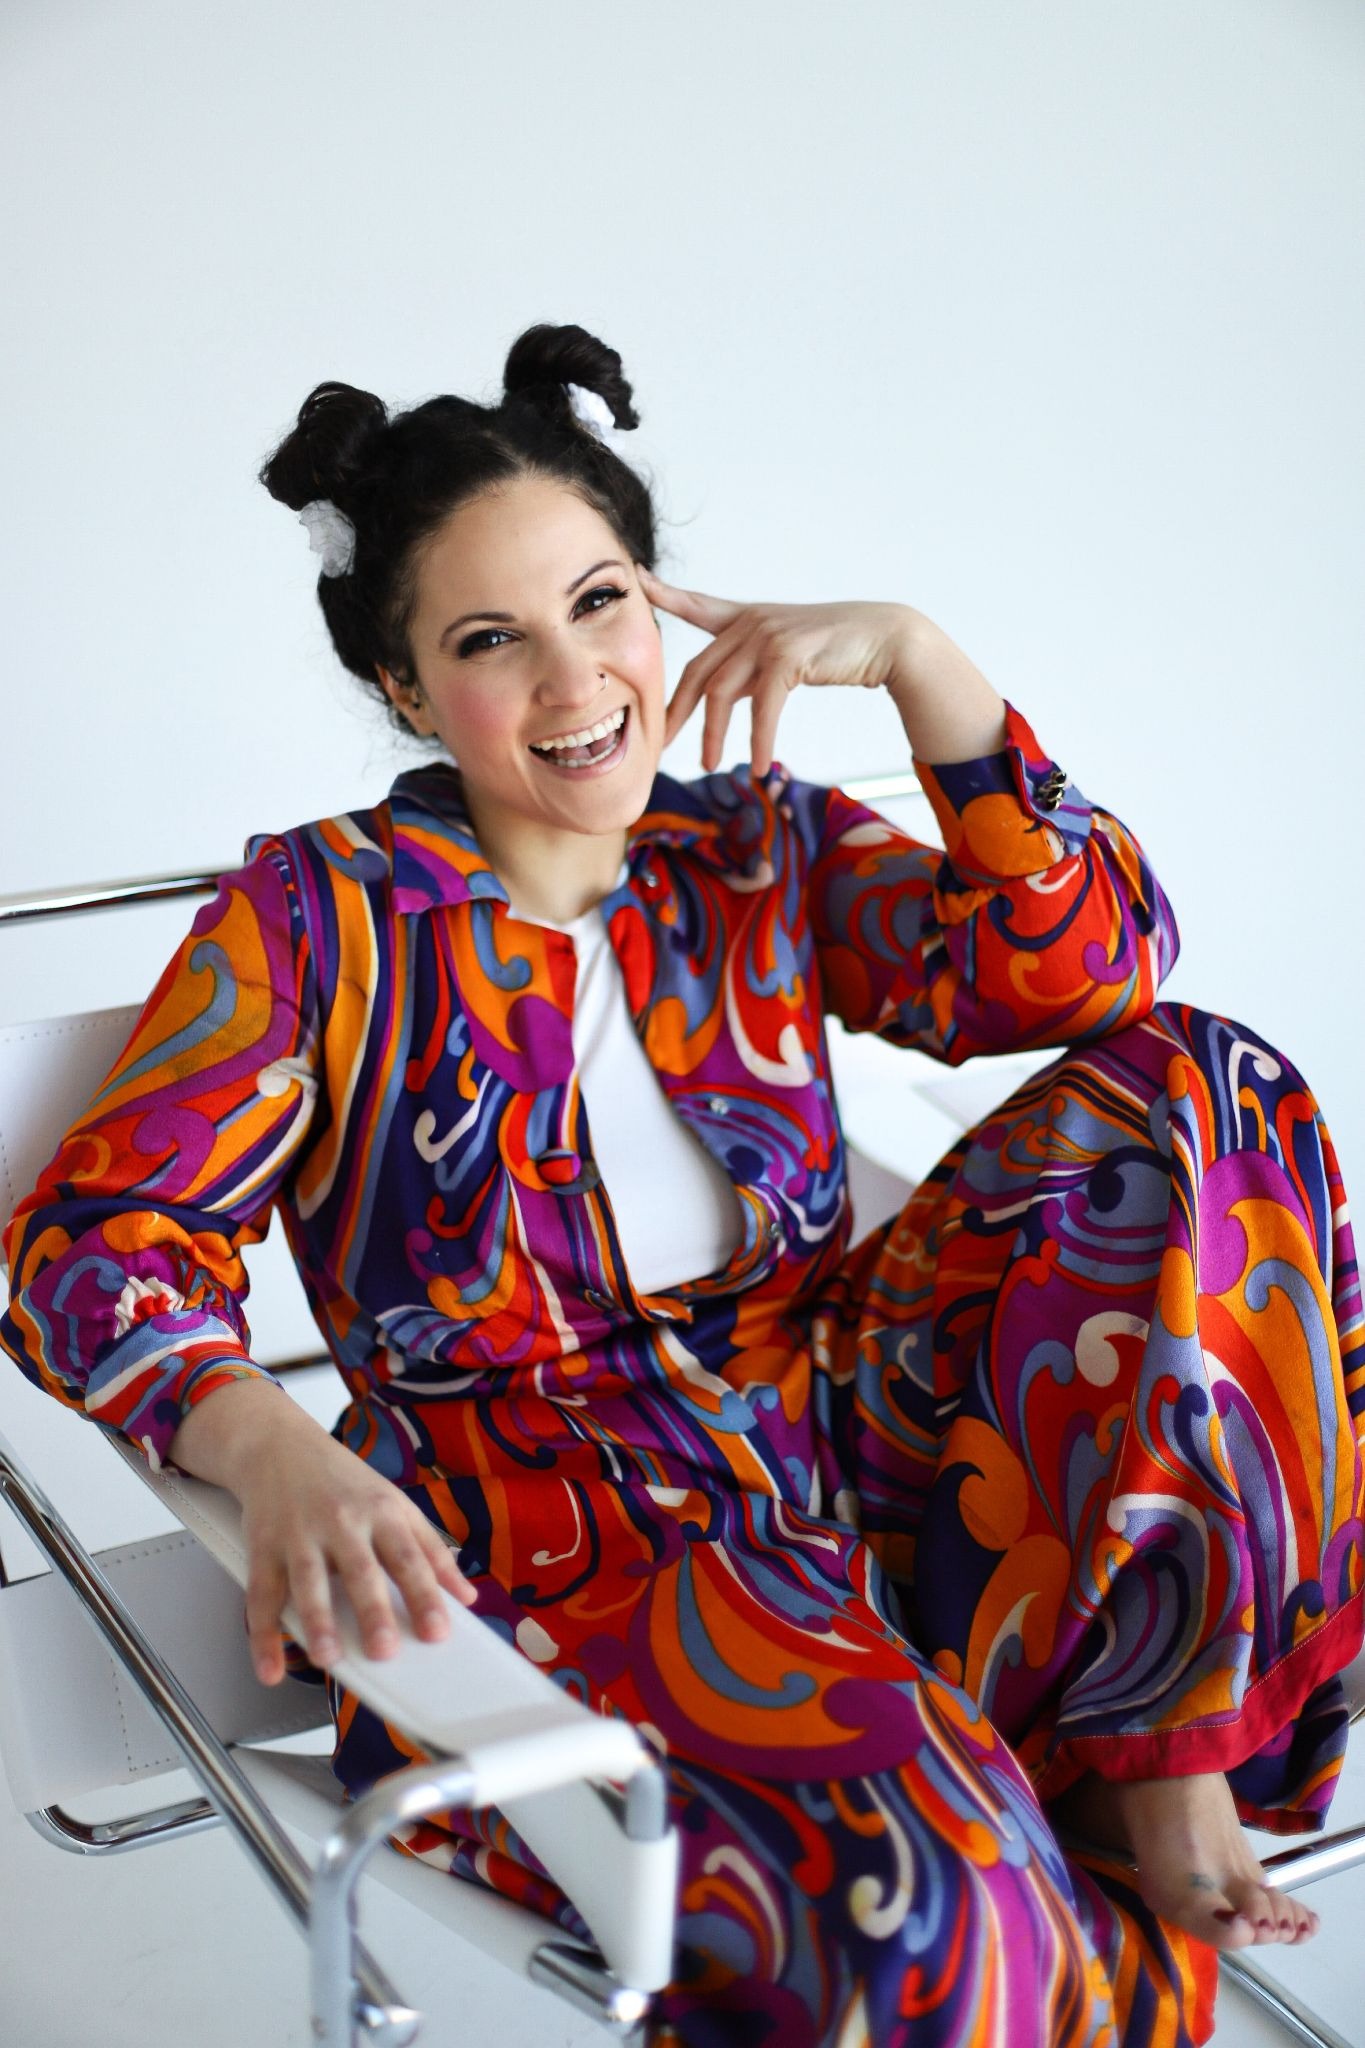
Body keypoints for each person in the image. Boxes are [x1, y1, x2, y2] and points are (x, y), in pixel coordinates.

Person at [3, 321, 1361, 2048]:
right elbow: (99, 1239)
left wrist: (925, 663)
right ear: (413, 691)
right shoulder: (321, 921)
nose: (575, 683)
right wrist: (258, 1440)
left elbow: (1083, 971)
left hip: (847, 1433)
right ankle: (1034, 1809)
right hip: (568, 1527)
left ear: (660, 607)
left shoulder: (754, 846)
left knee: (1206, 1074)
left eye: (600, 602)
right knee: (951, 1929)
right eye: (491, 640)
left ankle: (1161, 1764)